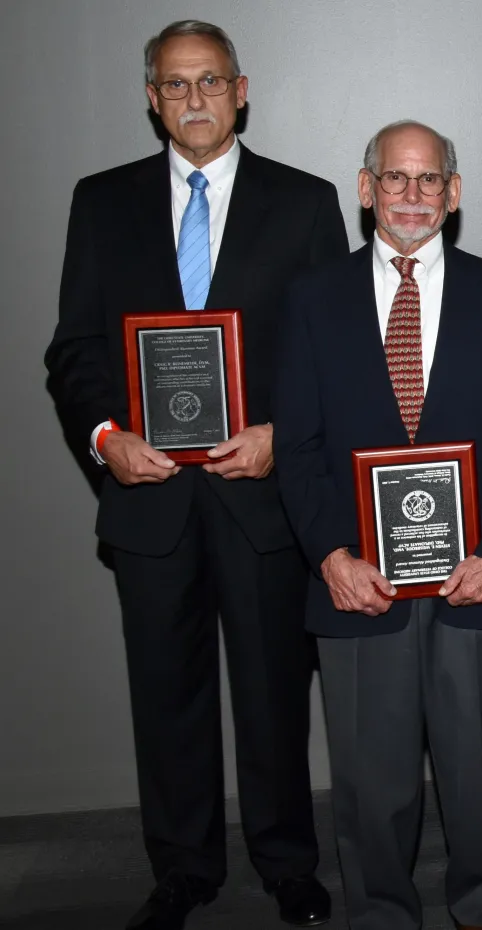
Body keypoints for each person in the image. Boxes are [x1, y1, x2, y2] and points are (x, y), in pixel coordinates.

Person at [43, 20, 345, 930]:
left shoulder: (304, 201)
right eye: (175, 85)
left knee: (271, 694)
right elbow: (76, 351)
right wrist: (105, 438)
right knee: (166, 695)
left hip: (261, 498)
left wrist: (279, 432)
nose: (195, 99)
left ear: (240, 89)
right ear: (152, 98)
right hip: (150, 501)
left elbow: (331, 354)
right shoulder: (101, 202)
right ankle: (181, 869)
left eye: (209, 81)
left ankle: (289, 862)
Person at [273, 120, 482, 930]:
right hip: (360, 583)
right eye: (396, 179)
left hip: (476, 579)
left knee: (479, 774)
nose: (413, 196)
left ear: (454, 194)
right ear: (366, 189)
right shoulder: (313, 298)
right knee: (370, 779)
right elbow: (298, 446)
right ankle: (383, 914)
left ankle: (481, 909)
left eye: (430, 181)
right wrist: (329, 555)